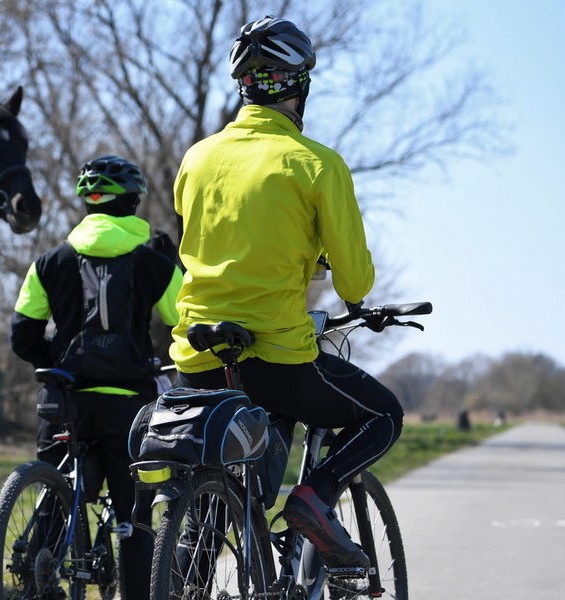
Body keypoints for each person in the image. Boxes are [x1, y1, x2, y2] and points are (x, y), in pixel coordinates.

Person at [170, 16, 404, 569]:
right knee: (384, 416)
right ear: (299, 87)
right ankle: (315, 498)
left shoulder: (196, 158)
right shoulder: (317, 164)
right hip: (276, 357)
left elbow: (213, 233)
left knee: (214, 503)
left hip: (196, 356)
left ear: (243, 86)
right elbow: (355, 281)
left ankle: (184, 572)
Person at [11, 155, 181, 599]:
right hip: (130, 405)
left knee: (57, 494)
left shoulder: (50, 262)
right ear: (134, 202)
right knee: (135, 517)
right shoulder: (153, 263)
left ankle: (38, 581)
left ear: (87, 204)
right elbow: (186, 321)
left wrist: (60, 362)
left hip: (66, 400)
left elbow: (21, 333)